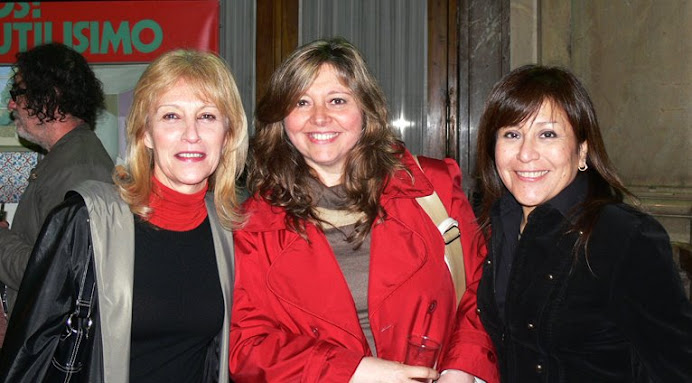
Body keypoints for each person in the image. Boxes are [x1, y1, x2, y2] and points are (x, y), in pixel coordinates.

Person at [229, 37, 498, 383]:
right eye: (302, 102)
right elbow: (246, 344)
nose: (319, 117)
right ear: (282, 119)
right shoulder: (254, 226)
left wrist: (461, 369)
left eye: (337, 100)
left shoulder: (432, 187)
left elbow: (483, 289)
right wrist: (351, 372)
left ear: (365, 111)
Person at [0, 49, 248, 382]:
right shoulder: (87, 222)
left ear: (228, 134)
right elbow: (32, 355)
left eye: (207, 116)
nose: (192, 134)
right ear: (145, 132)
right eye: (171, 116)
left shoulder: (234, 232)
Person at [474, 65, 692, 382]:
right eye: (512, 134)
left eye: (547, 134)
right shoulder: (492, 228)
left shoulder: (624, 237)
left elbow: (677, 367)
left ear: (582, 150)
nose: (525, 154)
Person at [0, 42, 114, 319]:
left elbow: (54, 277)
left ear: (50, 97)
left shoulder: (78, 168)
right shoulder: (67, 158)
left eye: (18, 92)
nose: (11, 104)